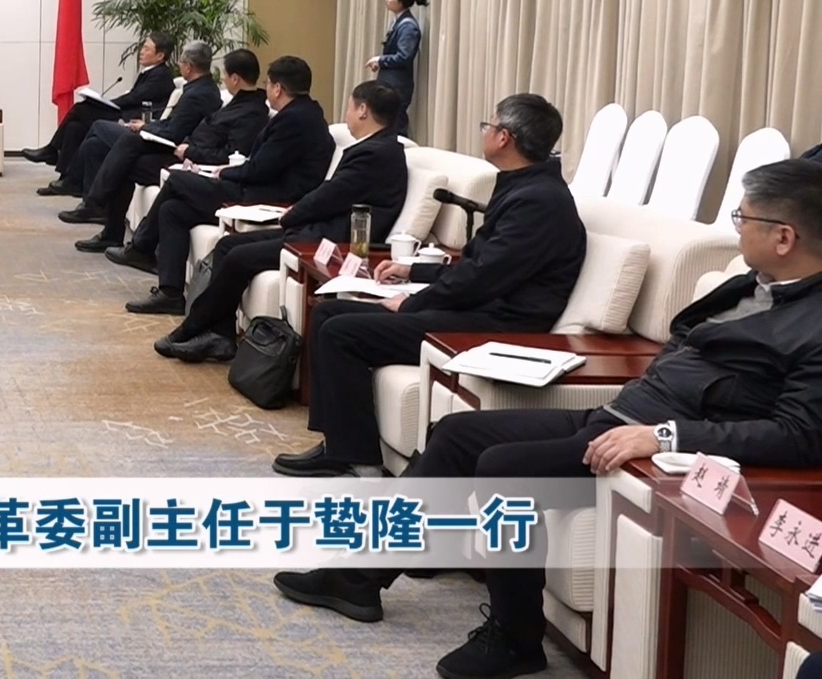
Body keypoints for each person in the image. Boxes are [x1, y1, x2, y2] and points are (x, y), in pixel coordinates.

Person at [274, 158, 822, 679]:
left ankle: (516, 639)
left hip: (654, 450)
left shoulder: (813, 324)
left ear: (784, 237)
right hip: (621, 412)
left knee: (505, 469)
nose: (736, 228)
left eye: (744, 218)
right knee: (459, 434)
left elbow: (798, 436)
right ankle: (359, 577)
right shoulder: (750, 284)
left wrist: (663, 437)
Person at [273, 93, 586, 479]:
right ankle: (339, 445)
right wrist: (414, 272)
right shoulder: (524, 186)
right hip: (480, 306)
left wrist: (411, 303)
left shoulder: (539, 201)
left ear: (504, 137)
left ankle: (357, 458)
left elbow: (483, 277)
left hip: (502, 324)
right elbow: (478, 266)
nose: (484, 132)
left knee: (342, 332)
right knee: (328, 313)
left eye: (487, 125)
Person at [140, 82, 409, 362]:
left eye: (351, 107)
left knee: (239, 257)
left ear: (363, 110)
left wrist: (291, 214)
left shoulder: (376, 154)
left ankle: (191, 328)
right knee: (227, 246)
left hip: (329, 242)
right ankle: (220, 336)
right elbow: (332, 195)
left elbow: (330, 196)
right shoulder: (376, 148)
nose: (347, 113)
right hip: (314, 231)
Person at [104, 56, 331, 276]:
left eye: (268, 84)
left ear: (278, 89)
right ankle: (169, 290)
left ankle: (141, 247)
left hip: (265, 196)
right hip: (259, 187)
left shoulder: (293, 120)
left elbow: (261, 169)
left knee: (178, 180)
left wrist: (224, 172)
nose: (266, 89)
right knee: (172, 210)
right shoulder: (305, 113)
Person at [48, 39, 223, 201]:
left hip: (165, 147)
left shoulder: (196, 95)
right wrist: (147, 125)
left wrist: (145, 129)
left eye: (181, 62)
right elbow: (172, 122)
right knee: (94, 144)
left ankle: (74, 182)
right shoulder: (200, 88)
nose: (179, 65)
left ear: (189, 67)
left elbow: (173, 133)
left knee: (98, 125)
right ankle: (91, 202)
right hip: (156, 133)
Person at [22, 35, 176, 182]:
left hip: (132, 121)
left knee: (80, 109)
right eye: (143, 47)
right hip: (126, 114)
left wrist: (107, 103)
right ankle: (68, 179)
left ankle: (51, 150)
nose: (141, 51)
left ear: (160, 55)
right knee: (75, 127)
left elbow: (134, 98)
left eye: (147, 49)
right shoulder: (151, 72)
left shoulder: (161, 75)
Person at [366, 0, 428, 137]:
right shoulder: (399, 21)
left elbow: (404, 56)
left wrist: (380, 60)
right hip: (391, 82)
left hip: (397, 85)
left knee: (396, 127)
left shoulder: (408, 26)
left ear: (401, 2)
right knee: (387, 126)